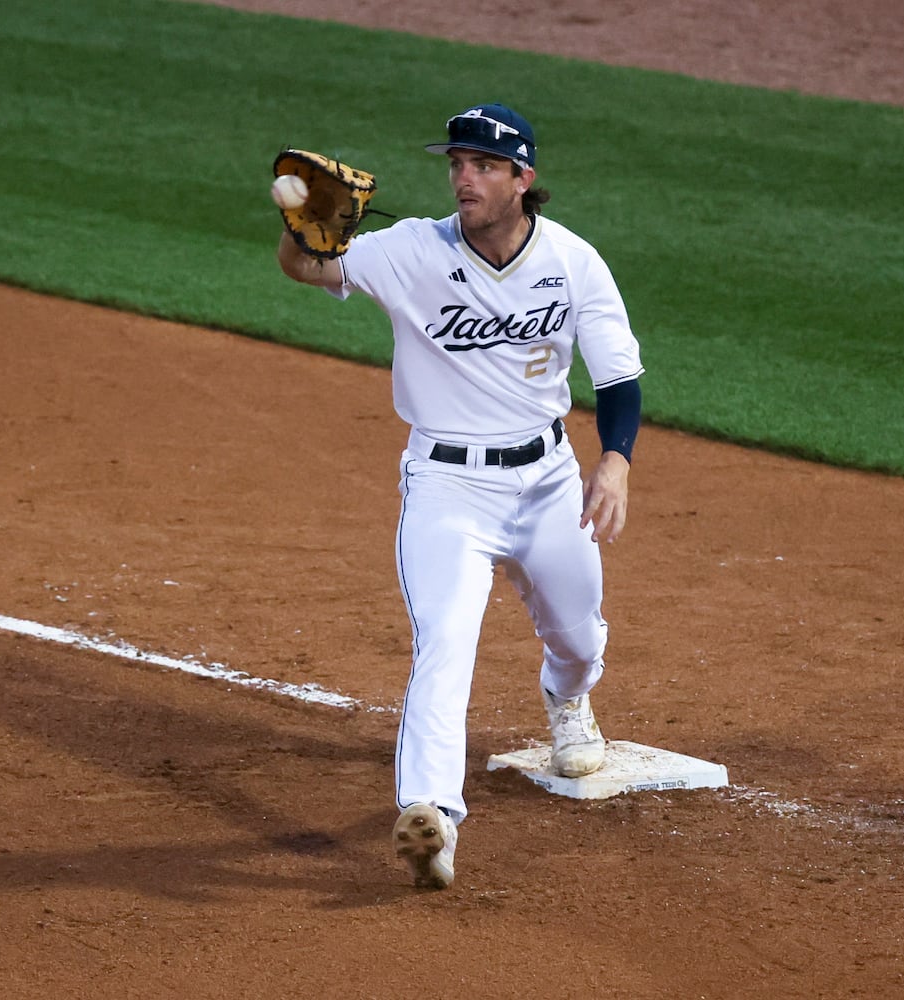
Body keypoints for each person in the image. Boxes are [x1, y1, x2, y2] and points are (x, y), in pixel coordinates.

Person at [273, 103, 644, 890]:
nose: (462, 176)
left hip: (549, 483)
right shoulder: (412, 250)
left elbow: (618, 377)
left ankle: (567, 699)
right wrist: (308, 225)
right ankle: (432, 817)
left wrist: (613, 462)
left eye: (481, 164)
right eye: (456, 163)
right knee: (444, 640)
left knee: (578, 640)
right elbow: (308, 268)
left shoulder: (574, 262)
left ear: (523, 178)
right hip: (446, 484)